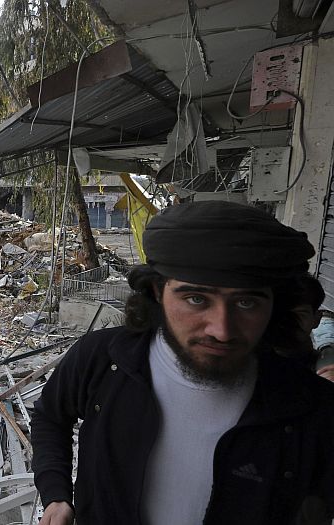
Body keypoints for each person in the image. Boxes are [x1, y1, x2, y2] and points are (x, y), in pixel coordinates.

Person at [31, 201, 334, 525]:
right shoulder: (103, 359)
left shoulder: (308, 405)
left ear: (275, 304)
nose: (221, 329)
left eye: (246, 303)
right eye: (196, 299)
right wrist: (56, 495)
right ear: (159, 291)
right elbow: (50, 416)